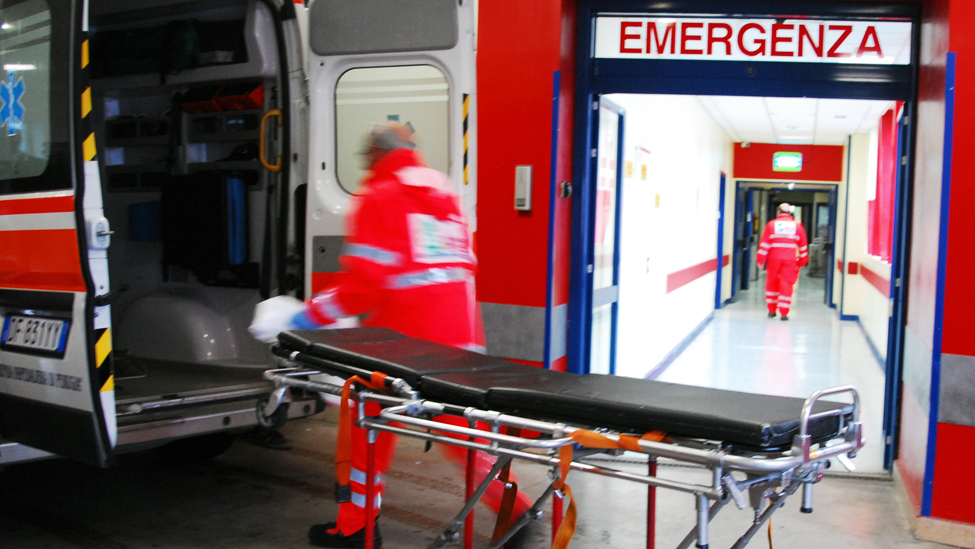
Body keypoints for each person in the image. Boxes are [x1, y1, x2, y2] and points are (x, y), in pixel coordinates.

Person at [249, 123, 528, 548]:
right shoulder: (442, 192)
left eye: (366, 157)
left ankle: (356, 526)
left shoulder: (380, 197)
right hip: (460, 341)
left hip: (406, 348)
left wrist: (311, 315)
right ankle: (517, 509)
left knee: (363, 419)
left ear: (376, 154)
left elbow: (365, 285)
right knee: (463, 433)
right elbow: (458, 268)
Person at [756, 203, 809, 321]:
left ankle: (771, 311)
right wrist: (802, 262)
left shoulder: (771, 225)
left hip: (774, 260)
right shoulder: (798, 226)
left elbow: (764, 245)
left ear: (779, 212)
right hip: (790, 260)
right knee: (786, 284)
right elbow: (803, 246)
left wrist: (761, 260)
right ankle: (784, 313)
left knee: (772, 282)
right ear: (790, 213)